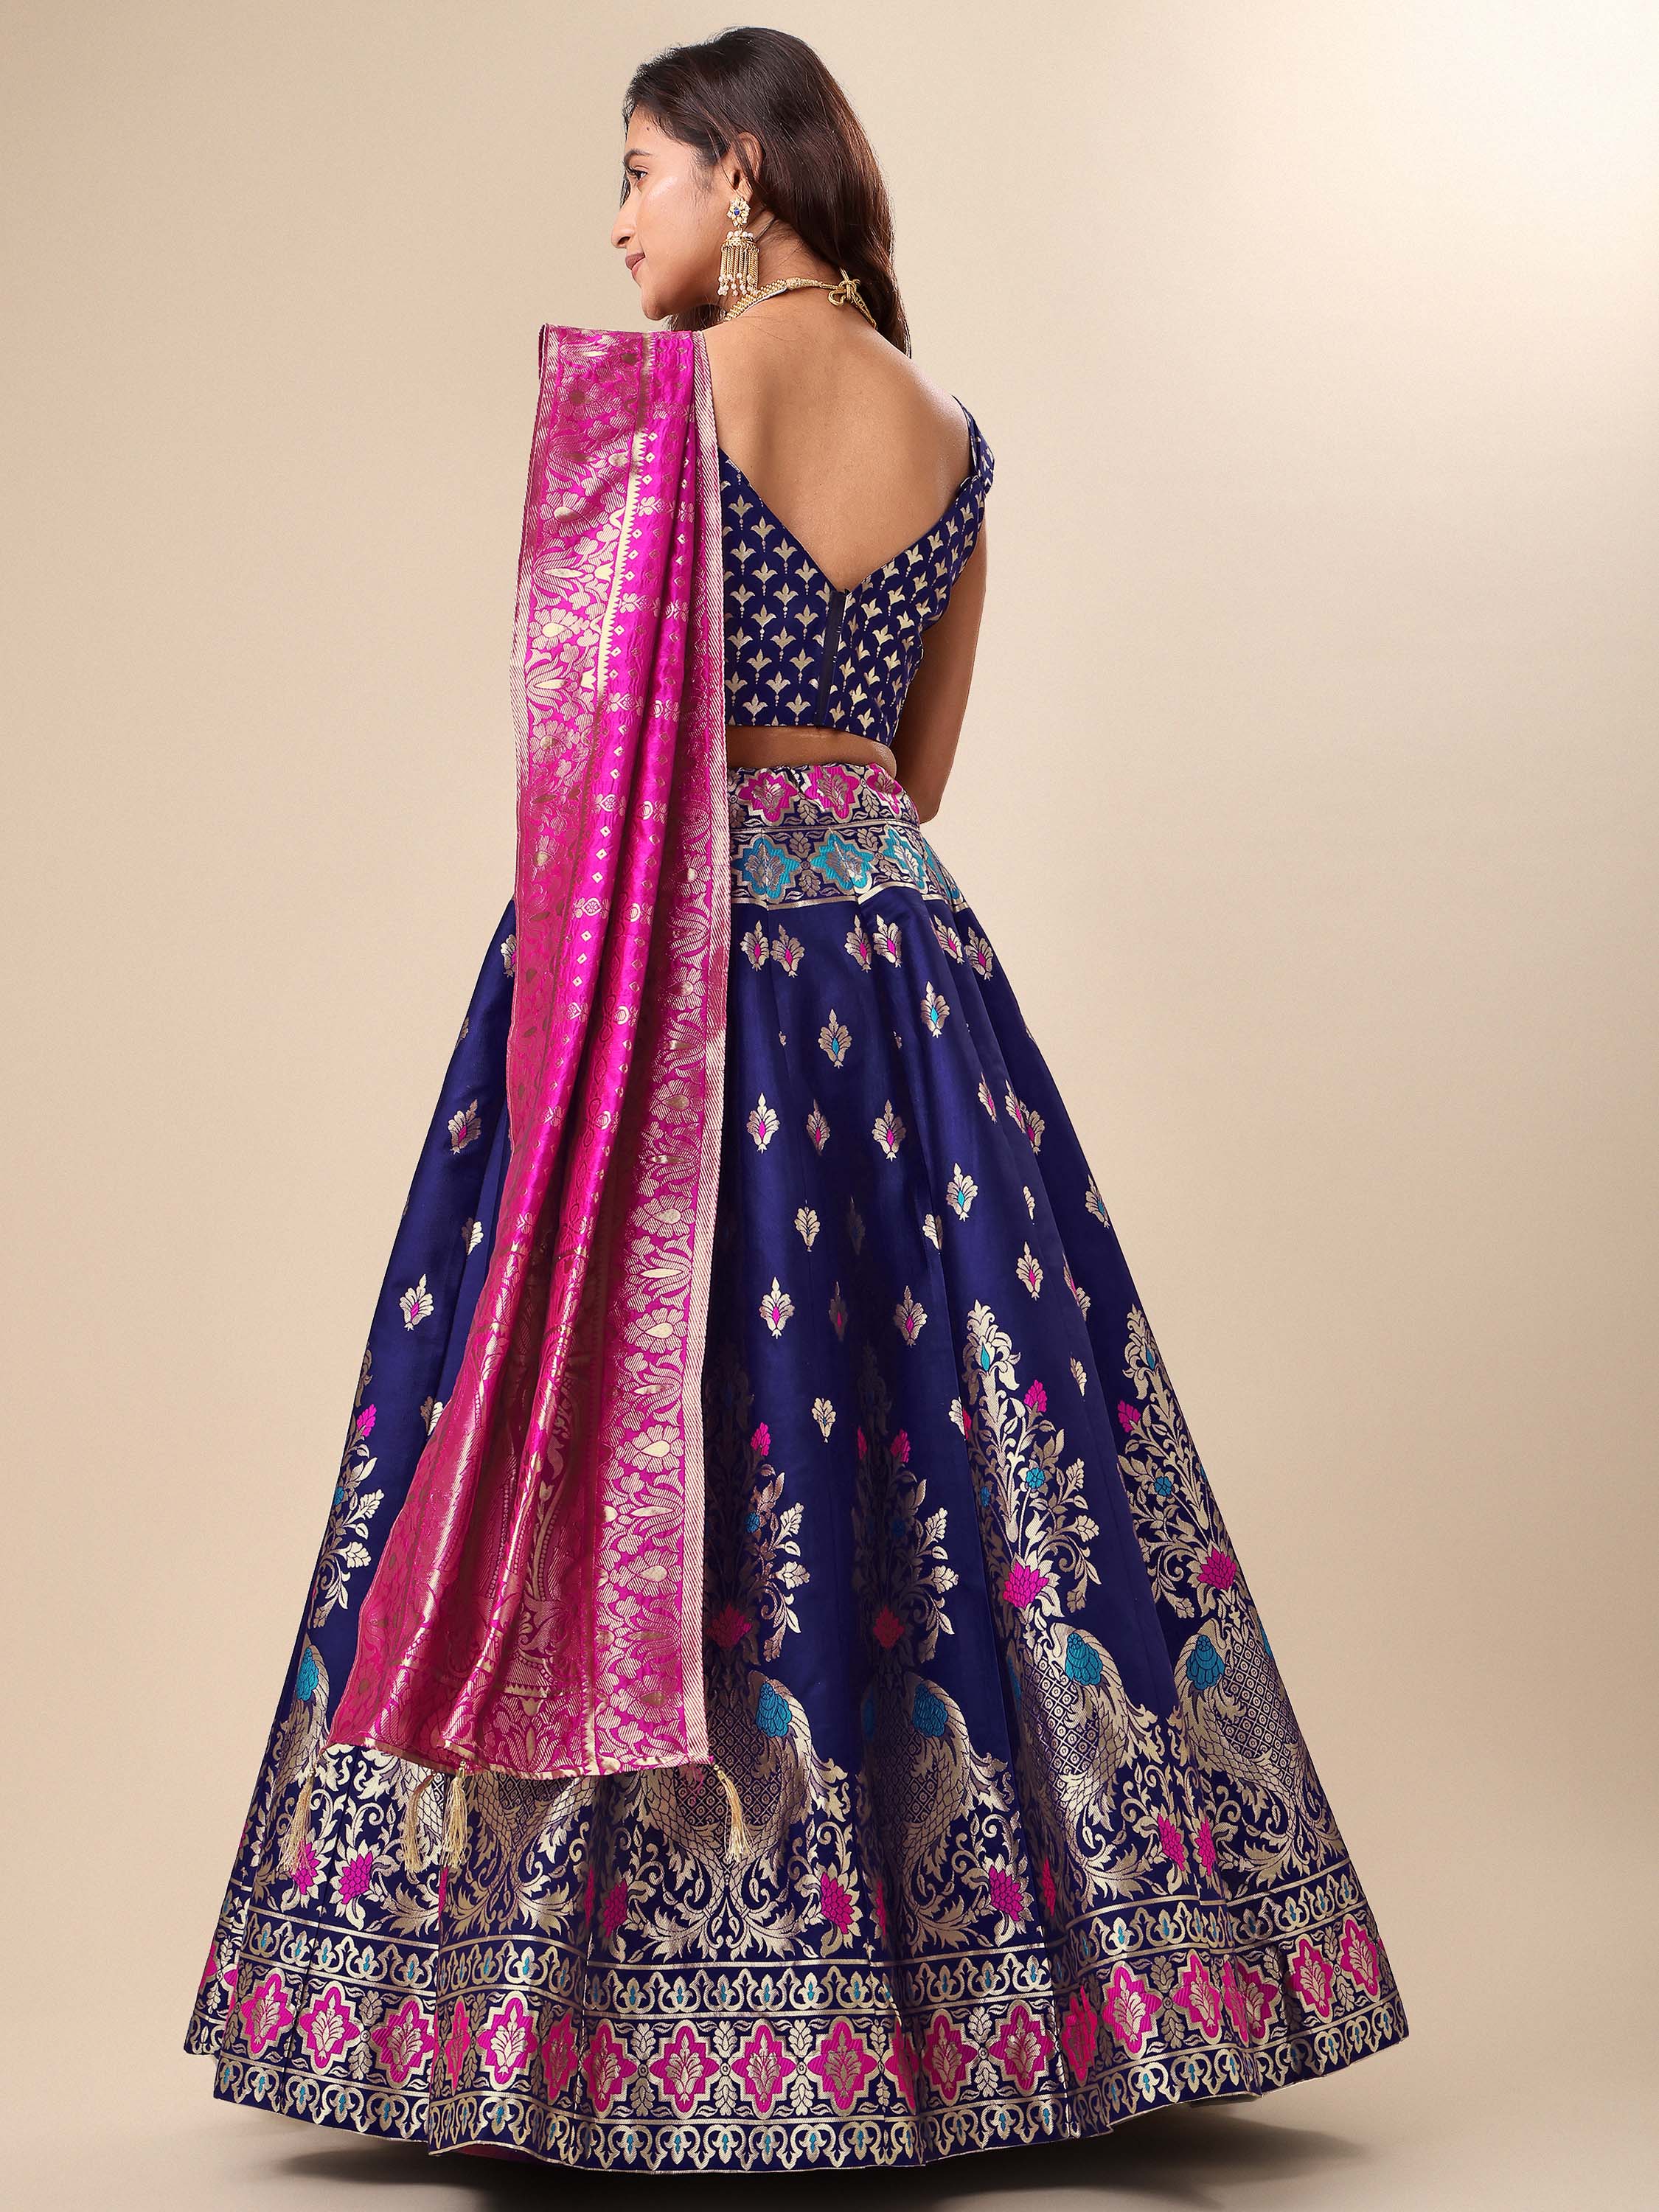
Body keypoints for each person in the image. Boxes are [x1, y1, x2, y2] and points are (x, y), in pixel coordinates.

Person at [187, 25, 1408, 2176]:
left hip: (673, 972)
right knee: (946, 1439)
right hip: (905, 979)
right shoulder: (951, 436)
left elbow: (587, 763)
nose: (620, 221)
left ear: (740, 179)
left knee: (630, 1413)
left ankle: (574, 2030)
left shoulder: (656, 402)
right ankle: (1028, 2004)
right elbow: (915, 773)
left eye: (640, 171)